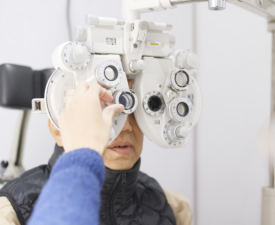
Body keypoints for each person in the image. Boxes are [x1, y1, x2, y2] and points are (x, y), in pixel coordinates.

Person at [0, 80, 193, 225]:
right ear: (58, 130)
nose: (125, 126)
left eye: (135, 111)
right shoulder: (10, 213)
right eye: (103, 108)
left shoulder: (174, 208)